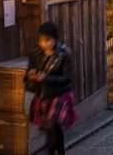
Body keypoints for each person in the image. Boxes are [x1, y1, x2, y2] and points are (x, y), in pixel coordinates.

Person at [25, 21, 78, 155]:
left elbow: (67, 78)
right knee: (52, 127)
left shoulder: (63, 55)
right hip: (43, 94)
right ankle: (60, 151)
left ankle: (52, 152)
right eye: (42, 41)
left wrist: (46, 78)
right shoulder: (35, 53)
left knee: (50, 125)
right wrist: (31, 74)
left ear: (55, 39)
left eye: (49, 40)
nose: (45, 44)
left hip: (60, 94)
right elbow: (30, 70)